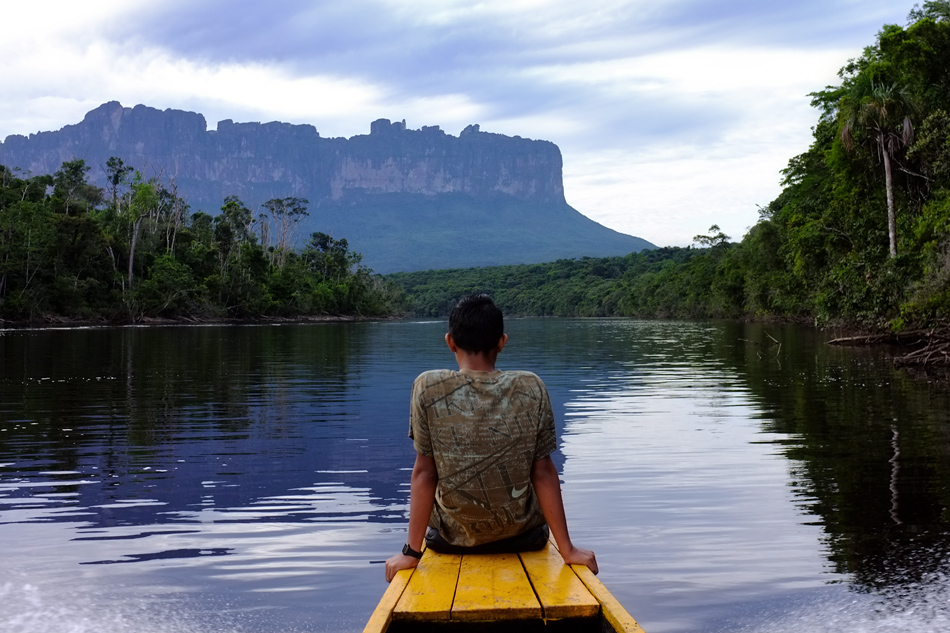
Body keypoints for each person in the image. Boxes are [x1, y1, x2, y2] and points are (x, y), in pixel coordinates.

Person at [385, 294, 597, 582]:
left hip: (449, 541)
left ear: (450, 342)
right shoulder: (531, 386)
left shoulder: (428, 387)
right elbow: (544, 472)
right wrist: (567, 549)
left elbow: (425, 473)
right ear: (502, 342)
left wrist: (411, 552)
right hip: (524, 538)